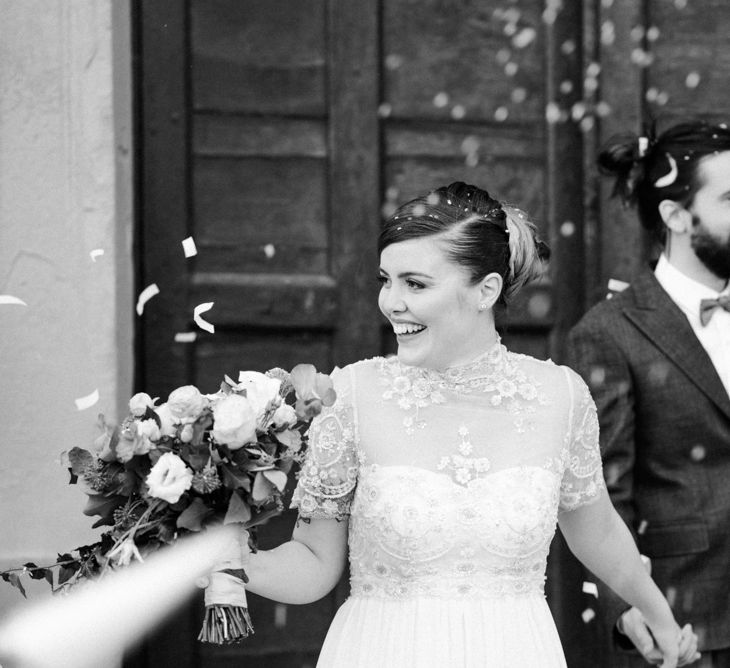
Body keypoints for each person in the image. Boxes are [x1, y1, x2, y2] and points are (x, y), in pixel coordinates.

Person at [234, 181, 698, 667]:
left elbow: (599, 535)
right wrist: (243, 565)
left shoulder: (560, 396)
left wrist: (659, 619)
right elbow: (314, 563)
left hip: (517, 651)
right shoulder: (351, 396)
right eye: (385, 279)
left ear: (486, 291)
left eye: (415, 283)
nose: (391, 302)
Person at [567, 120, 730, 667]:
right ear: (676, 216)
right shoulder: (608, 333)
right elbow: (598, 496)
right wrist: (626, 606)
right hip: (690, 622)